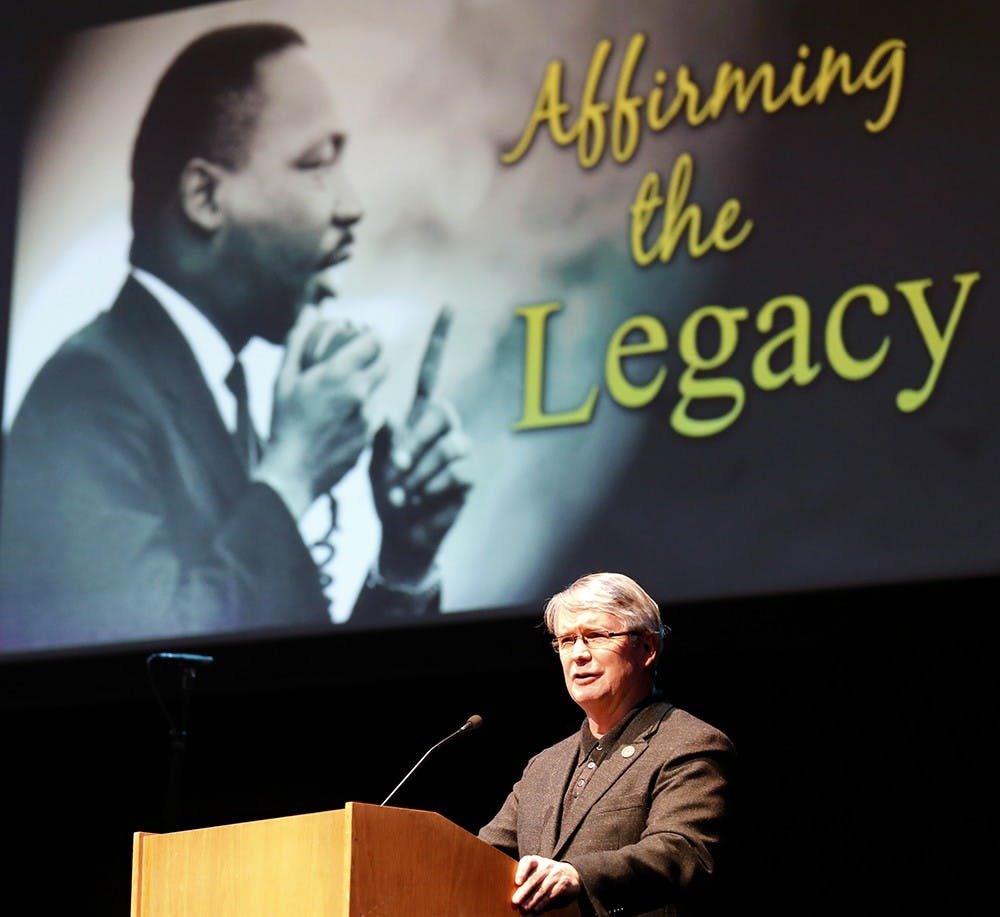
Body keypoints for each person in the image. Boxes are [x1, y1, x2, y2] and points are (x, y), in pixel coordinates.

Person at [0, 22, 470, 650]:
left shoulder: (227, 396)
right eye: (316, 166)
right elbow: (156, 671)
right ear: (204, 196)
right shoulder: (84, 395)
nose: (350, 206)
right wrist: (294, 473)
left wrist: (403, 562)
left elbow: (297, 686)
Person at [478, 572, 734, 917]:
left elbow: (682, 850)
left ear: (646, 648)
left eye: (596, 636)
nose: (578, 654)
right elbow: (480, 856)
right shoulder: (544, 765)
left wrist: (580, 876)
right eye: (567, 641)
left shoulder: (689, 744)